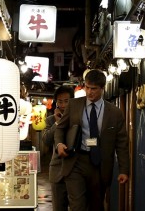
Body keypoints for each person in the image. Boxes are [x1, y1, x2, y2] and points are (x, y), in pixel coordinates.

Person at [54, 69, 129, 210]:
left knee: (96, 205)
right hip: (76, 161)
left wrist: (124, 170)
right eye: (87, 87)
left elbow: (121, 143)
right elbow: (60, 128)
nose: (89, 92)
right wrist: (59, 144)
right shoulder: (74, 105)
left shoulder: (114, 113)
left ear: (102, 88)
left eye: (93, 89)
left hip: (100, 164)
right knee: (77, 205)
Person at [41, 85, 73, 211]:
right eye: (60, 101)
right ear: (56, 102)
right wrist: (57, 123)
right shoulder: (50, 120)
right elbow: (46, 140)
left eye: (67, 101)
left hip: (76, 169)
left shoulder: (78, 118)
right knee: (58, 207)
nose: (63, 105)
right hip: (57, 170)